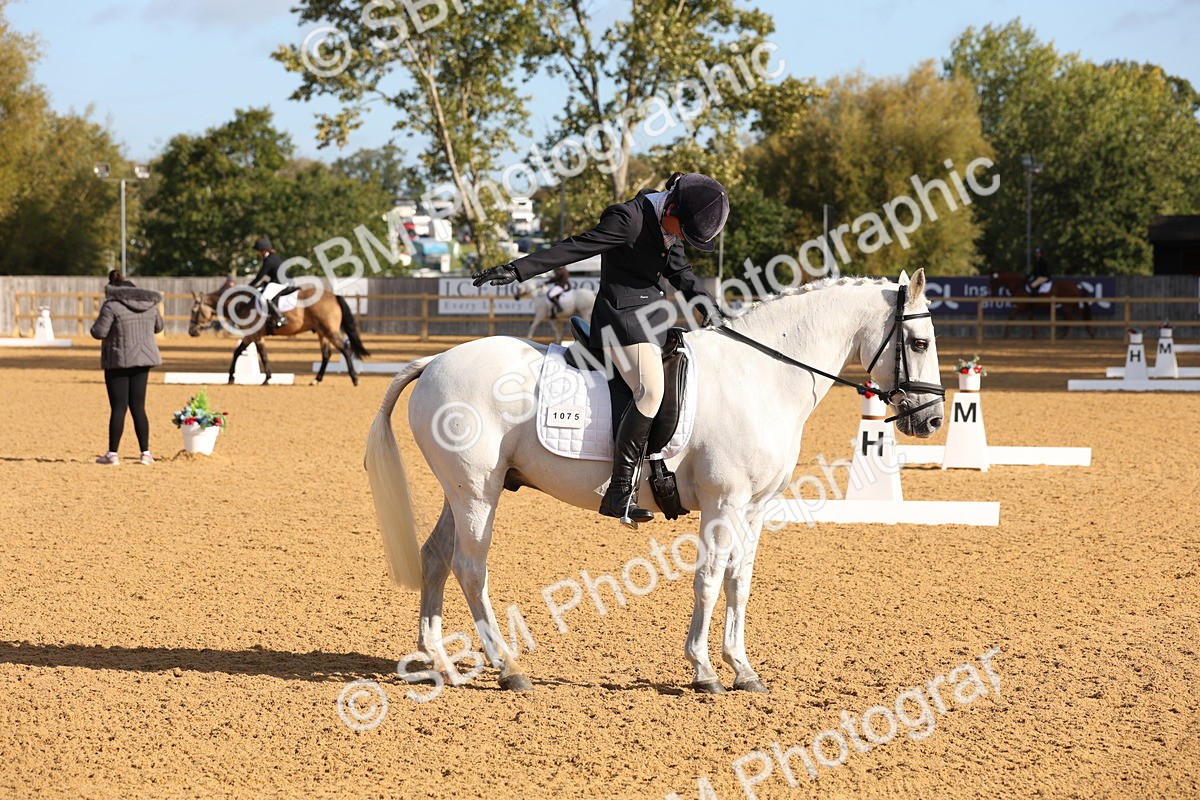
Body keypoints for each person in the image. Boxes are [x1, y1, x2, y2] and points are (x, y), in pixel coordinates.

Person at [473, 172, 728, 524]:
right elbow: (574, 247)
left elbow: (681, 274)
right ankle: (620, 491)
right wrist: (517, 270)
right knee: (651, 391)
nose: (681, 237)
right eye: (683, 230)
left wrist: (709, 308)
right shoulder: (627, 219)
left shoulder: (671, 225)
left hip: (650, 317)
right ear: (671, 207)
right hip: (620, 318)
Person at [90, 274, 164, 465]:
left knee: (118, 407)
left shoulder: (111, 305)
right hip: (143, 359)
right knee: (139, 407)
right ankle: (145, 453)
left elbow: (99, 332)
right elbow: (158, 327)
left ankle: (112, 454)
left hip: (118, 360)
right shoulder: (150, 305)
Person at [248, 237, 296, 328]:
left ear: (263, 250)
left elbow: (260, 276)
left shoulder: (269, 260)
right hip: (281, 280)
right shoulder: (273, 257)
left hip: (280, 282)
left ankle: (280, 317)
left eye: (258, 251)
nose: (257, 253)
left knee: (264, 297)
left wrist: (249, 286)